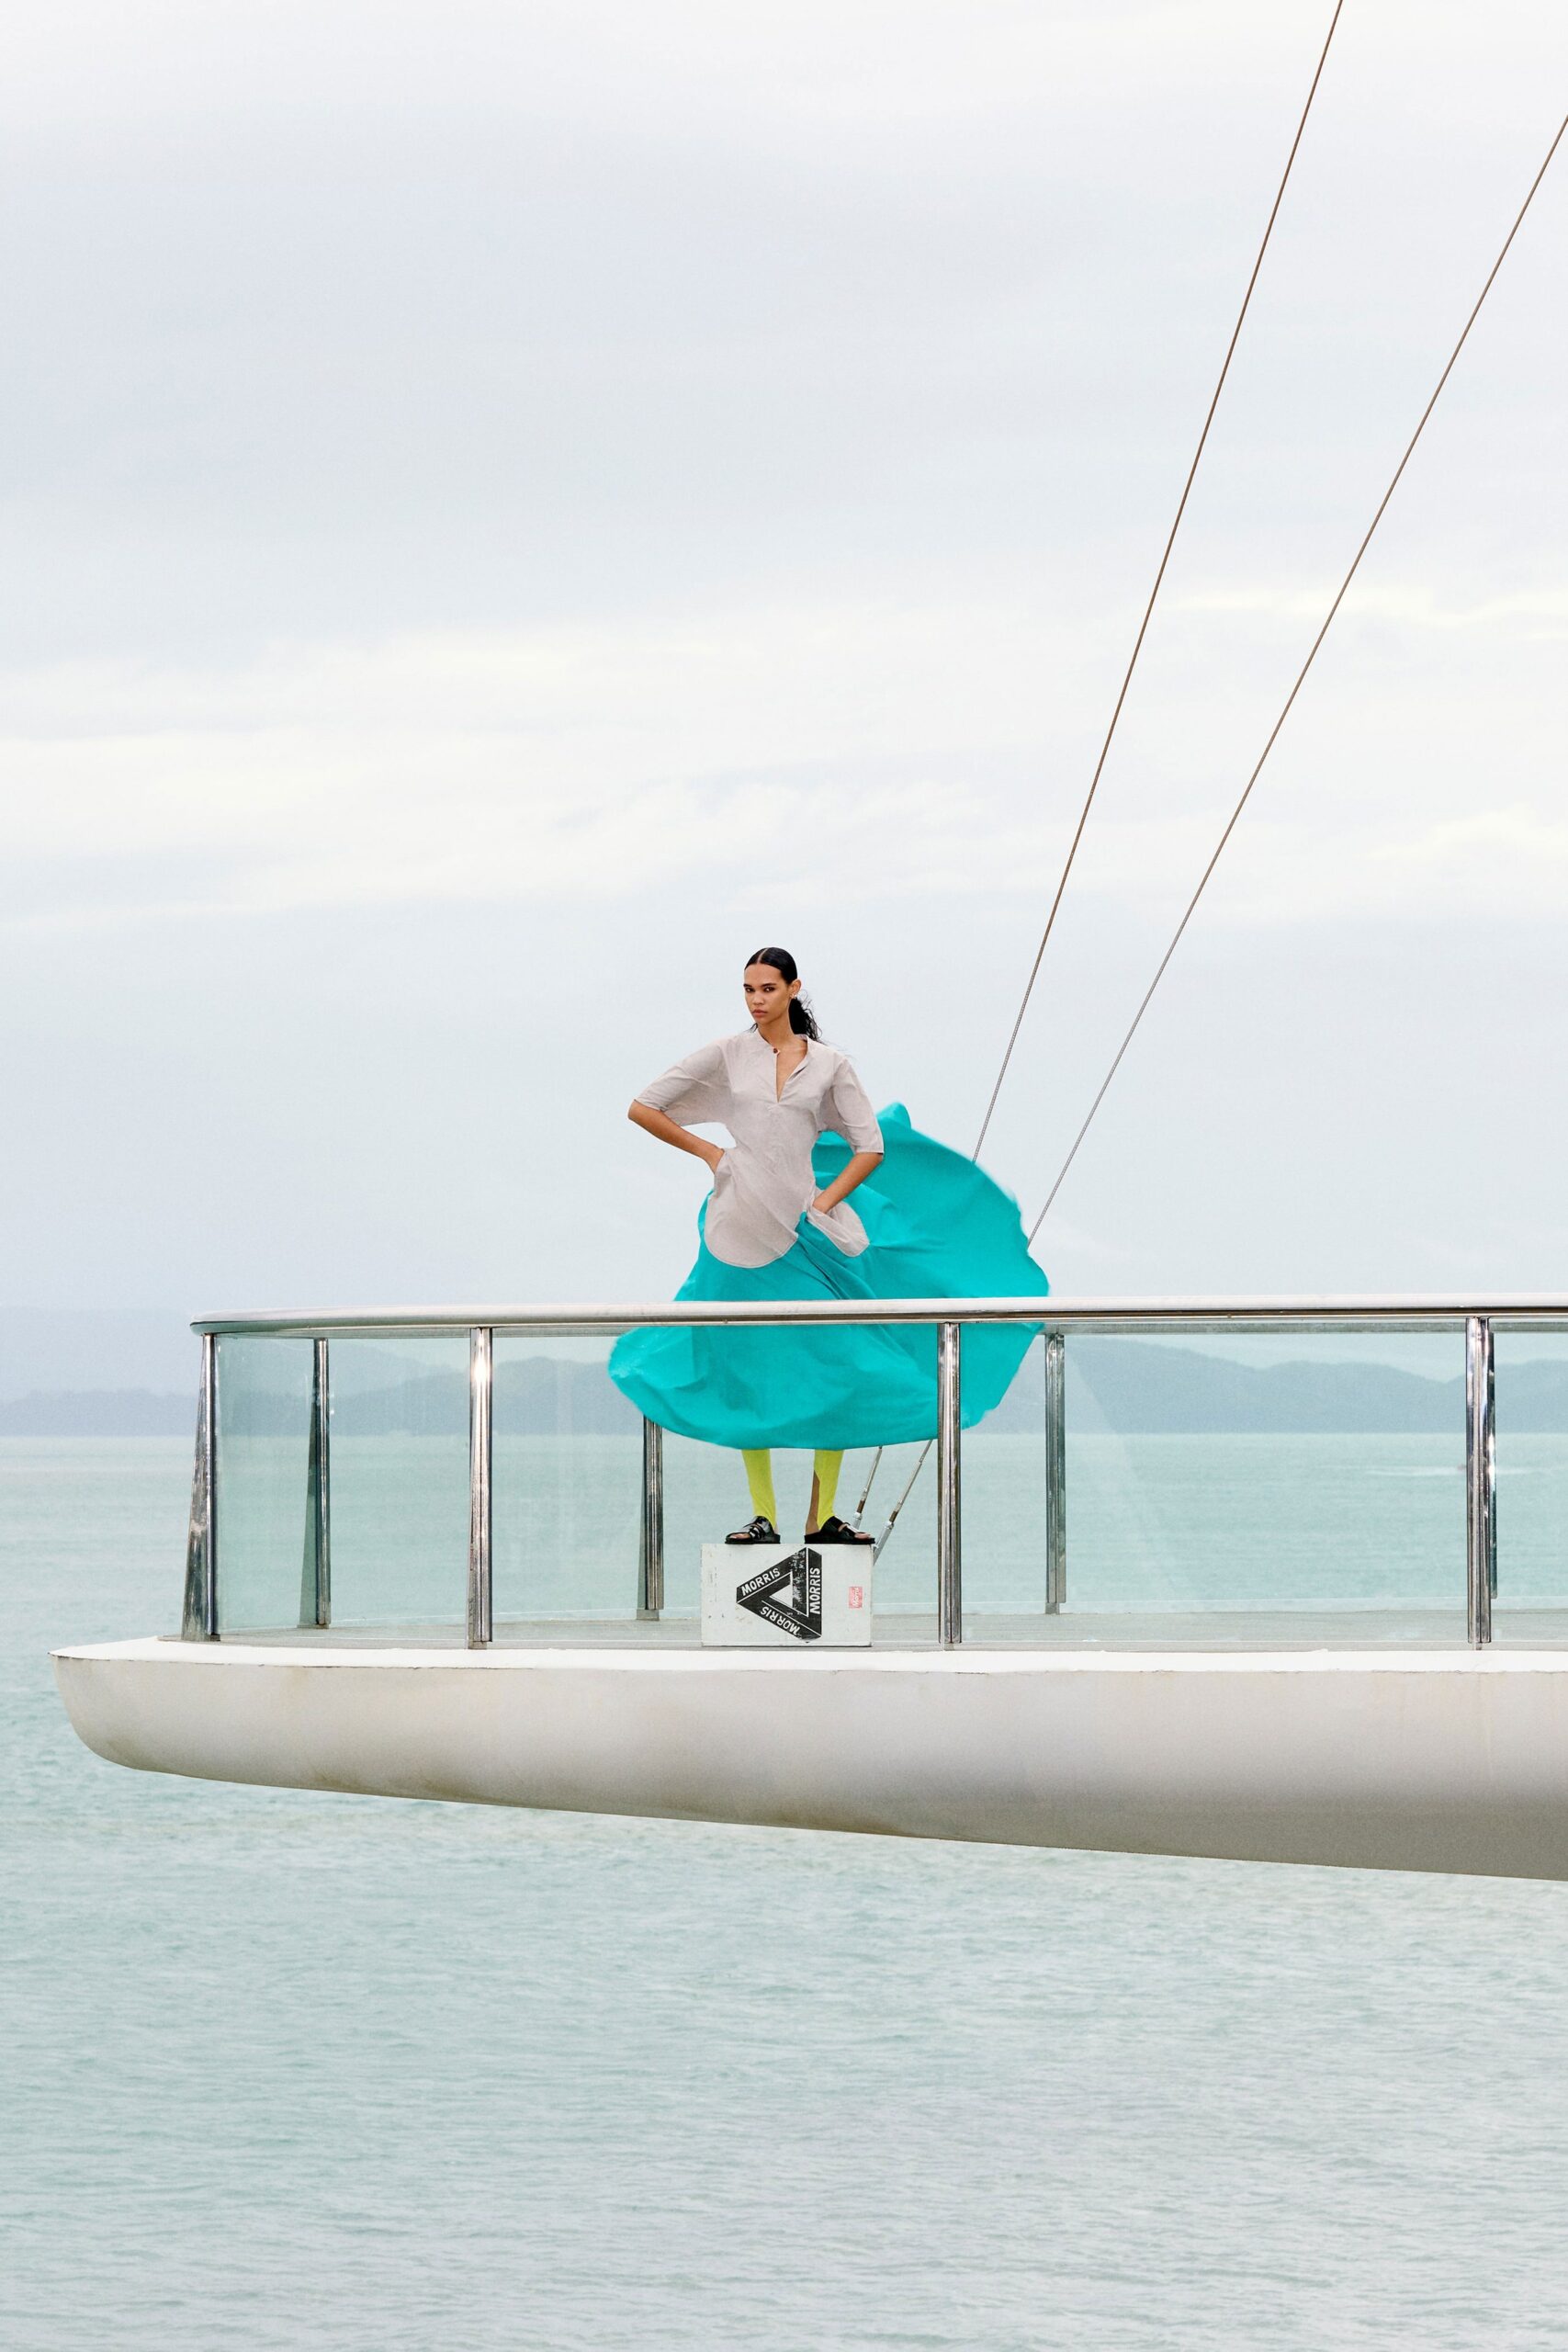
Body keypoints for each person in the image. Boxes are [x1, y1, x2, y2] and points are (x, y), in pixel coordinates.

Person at [609, 946, 1049, 1544]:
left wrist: (823, 1201)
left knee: (838, 1358)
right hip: (736, 1228)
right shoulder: (726, 1055)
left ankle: (821, 1517)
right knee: (745, 1367)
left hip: (802, 1231)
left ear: (792, 989)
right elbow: (643, 1107)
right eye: (747, 989)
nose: (756, 999)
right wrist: (712, 1153)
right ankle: (763, 1517)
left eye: (767, 988)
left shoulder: (828, 1065)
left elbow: (869, 1146)